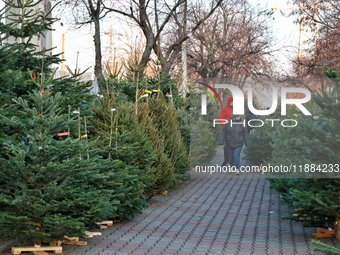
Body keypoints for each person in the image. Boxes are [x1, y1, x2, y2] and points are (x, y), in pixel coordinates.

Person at [219, 96, 233, 166]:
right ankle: (226, 160)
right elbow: (220, 119)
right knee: (227, 146)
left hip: (235, 130)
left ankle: (231, 162)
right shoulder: (225, 109)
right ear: (230, 102)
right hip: (227, 131)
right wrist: (226, 125)